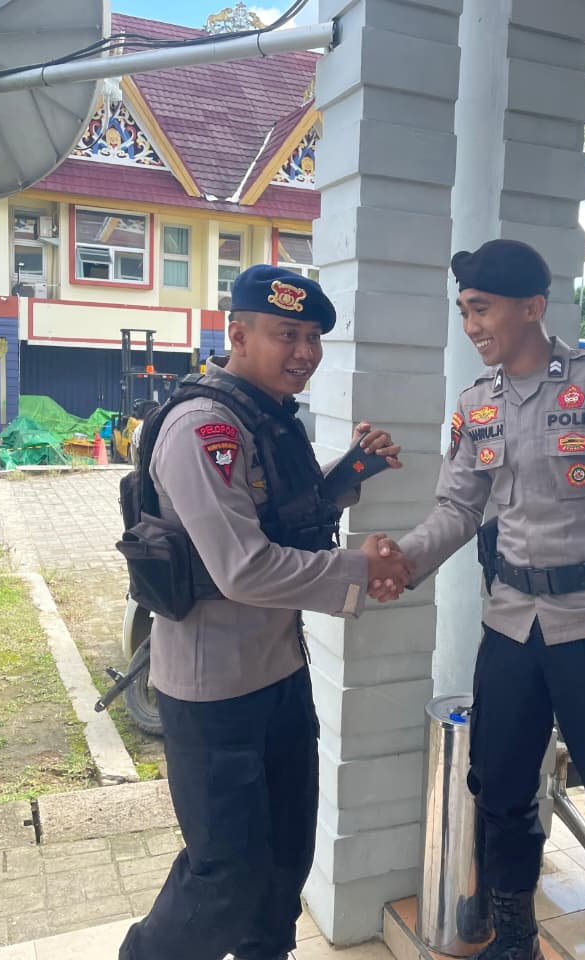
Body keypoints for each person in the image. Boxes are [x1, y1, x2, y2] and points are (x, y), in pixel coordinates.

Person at [390, 239, 585, 960]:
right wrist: (403, 559)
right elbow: (459, 507)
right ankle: (515, 935)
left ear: (532, 307)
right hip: (512, 628)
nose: (472, 325)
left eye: (482, 309)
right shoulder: (475, 405)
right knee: (500, 791)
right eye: (464, 311)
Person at [118, 265, 413, 960]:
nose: (305, 352)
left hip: (277, 672)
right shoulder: (203, 428)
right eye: (287, 334)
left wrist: (354, 472)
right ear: (239, 334)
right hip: (214, 691)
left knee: (284, 862)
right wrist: (361, 571)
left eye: (313, 337)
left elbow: (284, 514)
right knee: (225, 879)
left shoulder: (267, 414)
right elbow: (243, 567)